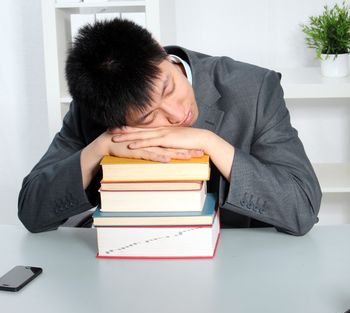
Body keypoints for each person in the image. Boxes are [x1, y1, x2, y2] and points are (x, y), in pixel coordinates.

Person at [18, 18, 321, 235]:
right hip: (129, 259)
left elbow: (302, 208)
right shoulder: (94, 108)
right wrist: (97, 149)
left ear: (157, 49)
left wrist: (210, 143)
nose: (177, 115)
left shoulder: (253, 89)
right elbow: (31, 211)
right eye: (148, 118)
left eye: (168, 87)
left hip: (237, 264)